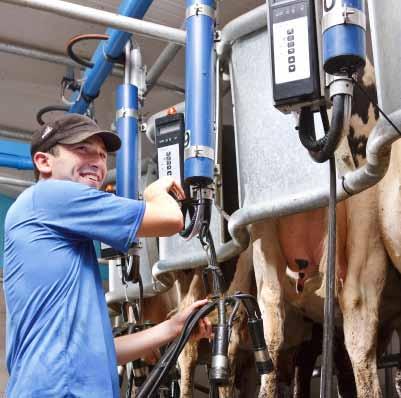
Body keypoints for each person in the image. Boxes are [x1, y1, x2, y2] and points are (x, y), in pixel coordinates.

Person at [3, 113, 211, 398]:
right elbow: (171, 219)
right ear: (44, 162)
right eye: (82, 149)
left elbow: (101, 352)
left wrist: (173, 327)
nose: (97, 162)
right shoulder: (50, 197)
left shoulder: (60, 233)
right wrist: (155, 193)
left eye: (102, 155)